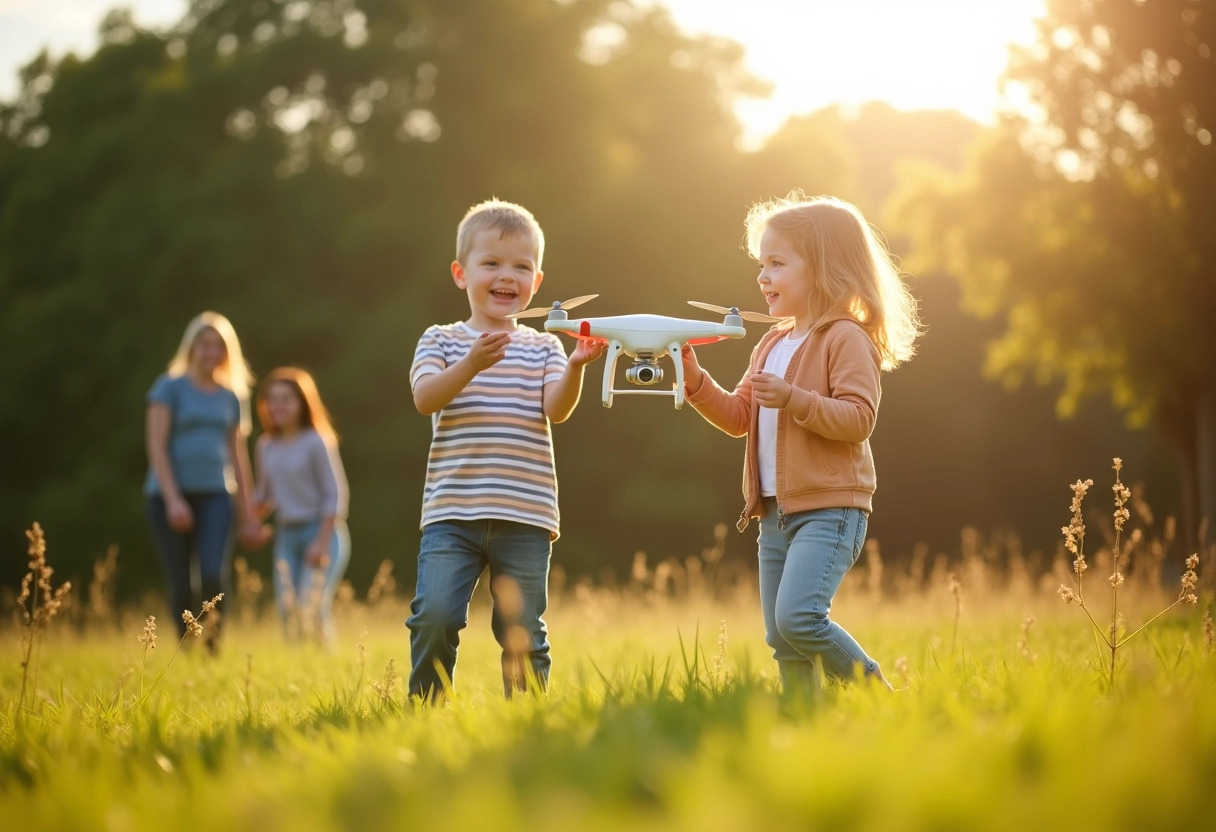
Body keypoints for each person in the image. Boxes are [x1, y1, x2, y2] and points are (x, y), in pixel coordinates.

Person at [680, 192, 921, 692]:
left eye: (776, 264)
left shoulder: (845, 338)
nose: (762, 276)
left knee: (800, 619)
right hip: (773, 513)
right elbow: (739, 416)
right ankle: (804, 724)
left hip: (830, 509)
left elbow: (858, 419)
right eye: (761, 264)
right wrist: (696, 380)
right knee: (782, 639)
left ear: (821, 268)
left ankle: (878, 694)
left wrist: (792, 397)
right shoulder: (770, 343)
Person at [407, 198, 604, 701]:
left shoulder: (543, 346)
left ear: (536, 282)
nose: (506, 276)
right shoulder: (442, 340)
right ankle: (425, 707)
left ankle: (528, 713)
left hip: (525, 513)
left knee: (522, 629)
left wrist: (578, 366)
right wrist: (471, 363)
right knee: (434, 616)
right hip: (453, 512)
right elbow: (426, 397)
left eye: (521, 266)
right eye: (491, 263)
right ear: (461, 273)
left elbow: (556, 410)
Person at [145, 311, 261, 649]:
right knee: (182, 582)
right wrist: (173, 499)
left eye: (219, 346)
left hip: (216, 494)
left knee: (213, 574)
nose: (211, 352)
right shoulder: (169, 387)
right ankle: (185, 649)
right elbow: (156, 444)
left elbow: (238, 456)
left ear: (228, 352)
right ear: (191, 347)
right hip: (168, 495)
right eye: (204, 344)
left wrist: (249, 514)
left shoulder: (232, 396)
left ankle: (213, 646)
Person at [253, 367, 351, 646]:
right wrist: (252, 513)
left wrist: (320, 543)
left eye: (286, 399)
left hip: (322, 532)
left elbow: (335, 493)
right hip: (287, 535)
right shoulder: (266, 445)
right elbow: (266, 494)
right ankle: (297, 666)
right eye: (272, 399)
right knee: (287, 610)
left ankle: (324, 665)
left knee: (312, 606)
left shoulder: (316, 441)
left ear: (302, 403)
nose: (278, 406)